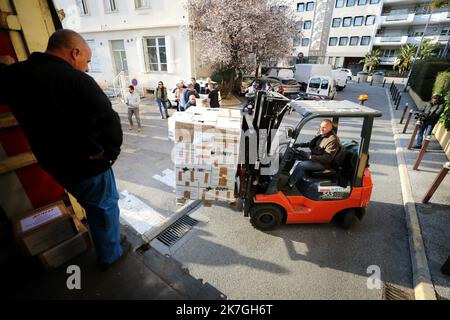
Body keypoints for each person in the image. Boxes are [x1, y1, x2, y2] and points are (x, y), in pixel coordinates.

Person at [0, 29, 127, 270]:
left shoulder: (16, 75)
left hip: (54, 164)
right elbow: (109, 120)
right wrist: (110, 154)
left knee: (90, 203)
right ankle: (110, 255)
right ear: (74, 52)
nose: (87, 67)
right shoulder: (77, 80)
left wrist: (4, 66)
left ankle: (105, 238)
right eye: (87, 61)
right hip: (88, 164)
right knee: (104, 206)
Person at [287, 119, 340, 188]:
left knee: (301, 165)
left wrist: (310, 157)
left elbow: (327, 158)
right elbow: (311, 143)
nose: (321, 129)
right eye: (320, 126)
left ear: (330, 128)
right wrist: (299, 145)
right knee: (293, 154)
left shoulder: (332, 140)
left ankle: (289, 184)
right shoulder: (321, 133)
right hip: (315, 156)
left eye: (324, 127)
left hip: (323, 163)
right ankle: (286, 174)